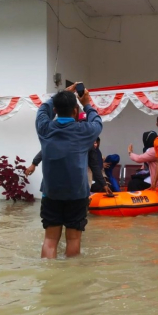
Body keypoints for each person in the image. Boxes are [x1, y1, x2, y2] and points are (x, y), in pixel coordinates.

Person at [36, 83, 102, 259]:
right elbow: (97, 122)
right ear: (75, 111)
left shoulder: (45, 128)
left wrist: (62, 94)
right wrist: (87, 103)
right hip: (77, 194)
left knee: (50, 239)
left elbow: (42, 110)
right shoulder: (84, 131)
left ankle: (48, 278)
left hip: (51, 194)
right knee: (73, 240)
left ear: (55, 110)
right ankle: (71, 280)